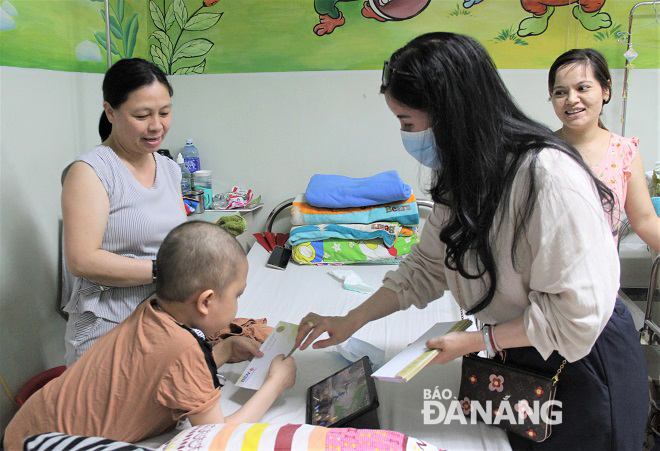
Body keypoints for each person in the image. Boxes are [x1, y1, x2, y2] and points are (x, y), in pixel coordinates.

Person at [294, 33, 648, 449]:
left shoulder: (548, 177)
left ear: (450, 113)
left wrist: (481, 341)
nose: (406, 136)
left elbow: (575, 316)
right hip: (524, 352)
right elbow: (426, 267)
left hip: (584, 363)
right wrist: (351, 320)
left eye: (408, 123)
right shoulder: (468, 174)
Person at [4, 222, 297, 449]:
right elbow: (215, 436)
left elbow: (161, 375)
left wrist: (223, 351)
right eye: (237, 295)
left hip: (25, 426)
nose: (237, 305)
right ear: (206, 301)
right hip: (44, 445)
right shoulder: (184, 350)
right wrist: (274, 385)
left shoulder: (151, 308)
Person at [61, 58, 187, 366]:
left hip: (162, 319)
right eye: (142, 115)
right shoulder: (91, 171)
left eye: (165, 112)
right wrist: (163, 269)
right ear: (110, 112)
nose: (156, 125)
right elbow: (82, 260)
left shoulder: (170, 169)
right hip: (108, 326)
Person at [548, 48, 660, 252]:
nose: (571, 99)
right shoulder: (539, 151)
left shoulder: (624, 152)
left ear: (605, 90)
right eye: (560, 92)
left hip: (601, 280)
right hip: (545, 279)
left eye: (582, 88)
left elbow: (644, 220)